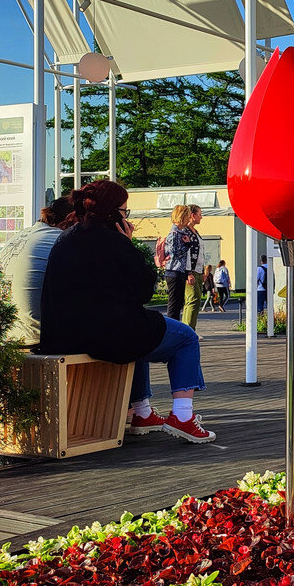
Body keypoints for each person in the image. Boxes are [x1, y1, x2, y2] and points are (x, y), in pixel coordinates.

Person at [38, 180, 215, 442]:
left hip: (63, 334)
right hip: (106, 334)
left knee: (140, 329)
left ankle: (142, 411)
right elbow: (143, 290)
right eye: (124, 211)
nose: (126, 216)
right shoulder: (113, 240)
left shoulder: (66, 238)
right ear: (111, 212)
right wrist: (129, 244)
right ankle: (183, 416)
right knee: (186, 337)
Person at [0, 197, 74, 345]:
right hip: (36, 341)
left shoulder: (20, 236)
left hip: (4, 338)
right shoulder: (61, 239)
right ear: (72, 220)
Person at [165, 204, 205, 329]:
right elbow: (175, 253)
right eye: (187, 216)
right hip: (177, 271)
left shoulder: (184, 232)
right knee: (185, 302)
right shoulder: (177, 232)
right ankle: (182, 330)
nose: (201, 217)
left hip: (184, 271)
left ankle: (183, 330)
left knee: (182, 303)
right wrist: (189, 272)